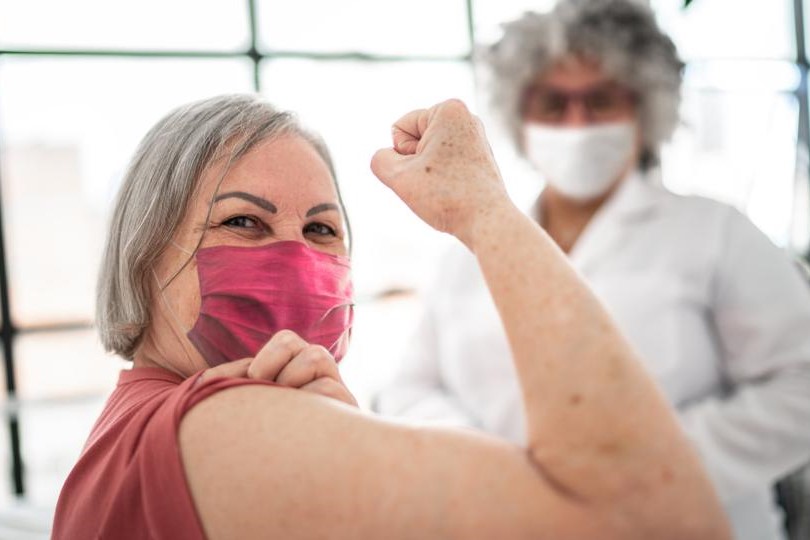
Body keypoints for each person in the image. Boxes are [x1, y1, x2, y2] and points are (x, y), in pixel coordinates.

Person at [51, 93, 730, 539]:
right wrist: (484, 210)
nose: (293, 256)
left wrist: (332, 433)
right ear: (142, 256)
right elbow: (654, 517)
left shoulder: (135, 430)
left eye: (322, 231)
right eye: (243, 221)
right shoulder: (215, 426)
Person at [374, 2, 810, 540]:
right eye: (553, 104)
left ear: (644, 111)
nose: (576, 124)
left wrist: (649, 464)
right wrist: (496, 469)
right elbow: (408, 389)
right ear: (519, 113)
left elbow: (800, 386)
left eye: (600, 101)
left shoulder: (716, 233)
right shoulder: (463, 250)